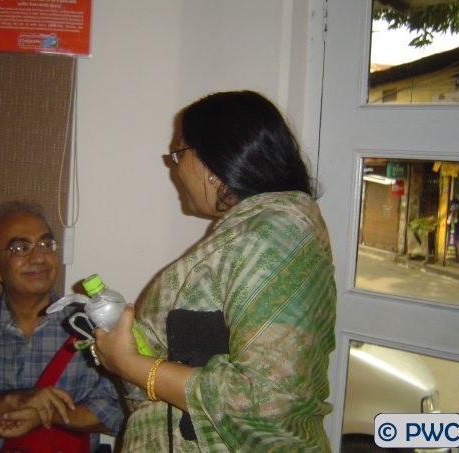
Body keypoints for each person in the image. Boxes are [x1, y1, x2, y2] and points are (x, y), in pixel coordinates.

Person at [93, 90, 337, 451]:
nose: (175, 169)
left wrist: (131, 364)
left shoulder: (274, 236)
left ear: (213, 159)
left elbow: (267, 401)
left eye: (178, 154)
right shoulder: (258, 232)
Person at [0, 200, 124, 452]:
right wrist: (13, 400)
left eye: (46, 245)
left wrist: (46, 413)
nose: (38, 257)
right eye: (21, 248)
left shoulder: (87, 322)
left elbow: (115, 412)